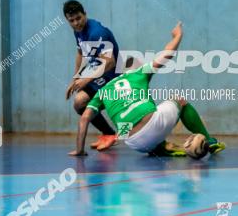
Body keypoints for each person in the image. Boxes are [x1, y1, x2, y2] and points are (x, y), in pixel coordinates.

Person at [69, 21, 224, 157]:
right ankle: (209, 141)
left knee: (132, 115)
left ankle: (158, 148)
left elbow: (84, 119)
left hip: (135, 144)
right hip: (153, 126)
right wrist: (177, 36)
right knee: (179, 101)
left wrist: (80, 150)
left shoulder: (102, 92)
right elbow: (166, 55)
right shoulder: (138, 74)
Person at [63, 0, 120, 151]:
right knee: (78, 104)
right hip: (96, 71)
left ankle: (110, 134)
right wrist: (76, 78)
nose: (76, 23)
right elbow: (80, 53)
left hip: (111, 75)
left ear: (85, 14)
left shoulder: (97, 32)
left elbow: (110, 63)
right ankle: (108, 133)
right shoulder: (78, 31)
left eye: (79, 18)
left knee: (80, 101)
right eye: (72, 20)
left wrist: (86, 79)